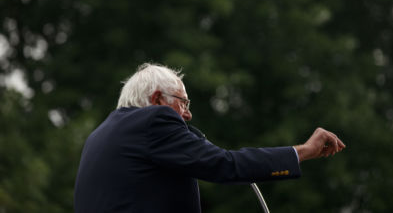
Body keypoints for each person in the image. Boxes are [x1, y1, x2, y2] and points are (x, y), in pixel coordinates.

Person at [74, 63, 345, 213]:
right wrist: (303, 151)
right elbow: (224, 164)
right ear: (157, 99)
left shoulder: (100, 135)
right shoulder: (154, 121)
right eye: (183, 103)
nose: (188, 115)